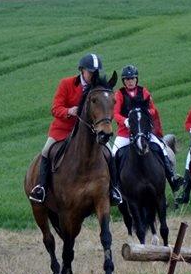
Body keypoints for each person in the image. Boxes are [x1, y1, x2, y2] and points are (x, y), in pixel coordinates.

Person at [28, 53, 123, 205]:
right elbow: (55, 109)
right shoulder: (66, 84)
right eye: (90, 71)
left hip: (89, 132)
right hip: (63, 129)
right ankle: (41, 187)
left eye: (96, 72)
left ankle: (114, 189)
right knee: (46, 151)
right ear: (82, 70)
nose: (93, 75)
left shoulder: (97, 88)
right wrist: (68, 111)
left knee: (110, 152)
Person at [111, 64, 184, 191]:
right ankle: (114, 188)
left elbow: (153, 109)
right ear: (124, 81)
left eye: (132, 78)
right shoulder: (119, 94)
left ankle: (172, 177)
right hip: (125, 134)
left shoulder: (144, 91)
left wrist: (146, 115)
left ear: (136, 79)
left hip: (144, 133)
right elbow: (115, 114)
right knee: (113, 155)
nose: (130, 81)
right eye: (127, 79)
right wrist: (125, 120)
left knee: (162, 148)